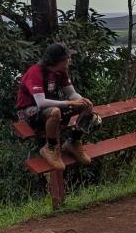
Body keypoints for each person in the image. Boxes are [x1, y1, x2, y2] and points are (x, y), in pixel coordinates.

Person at [16, 42, 98, 170]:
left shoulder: (61, 71)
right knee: (54, 112)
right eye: (67, 58)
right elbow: (41, 102)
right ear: (57, 61)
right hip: (29, 111)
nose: (70, 60)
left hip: (51, 107)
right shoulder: (35, 72)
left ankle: (73, 142)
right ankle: (51, 147)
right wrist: (70, 103)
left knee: (86, 105)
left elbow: (71, 93)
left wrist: (83, 101)